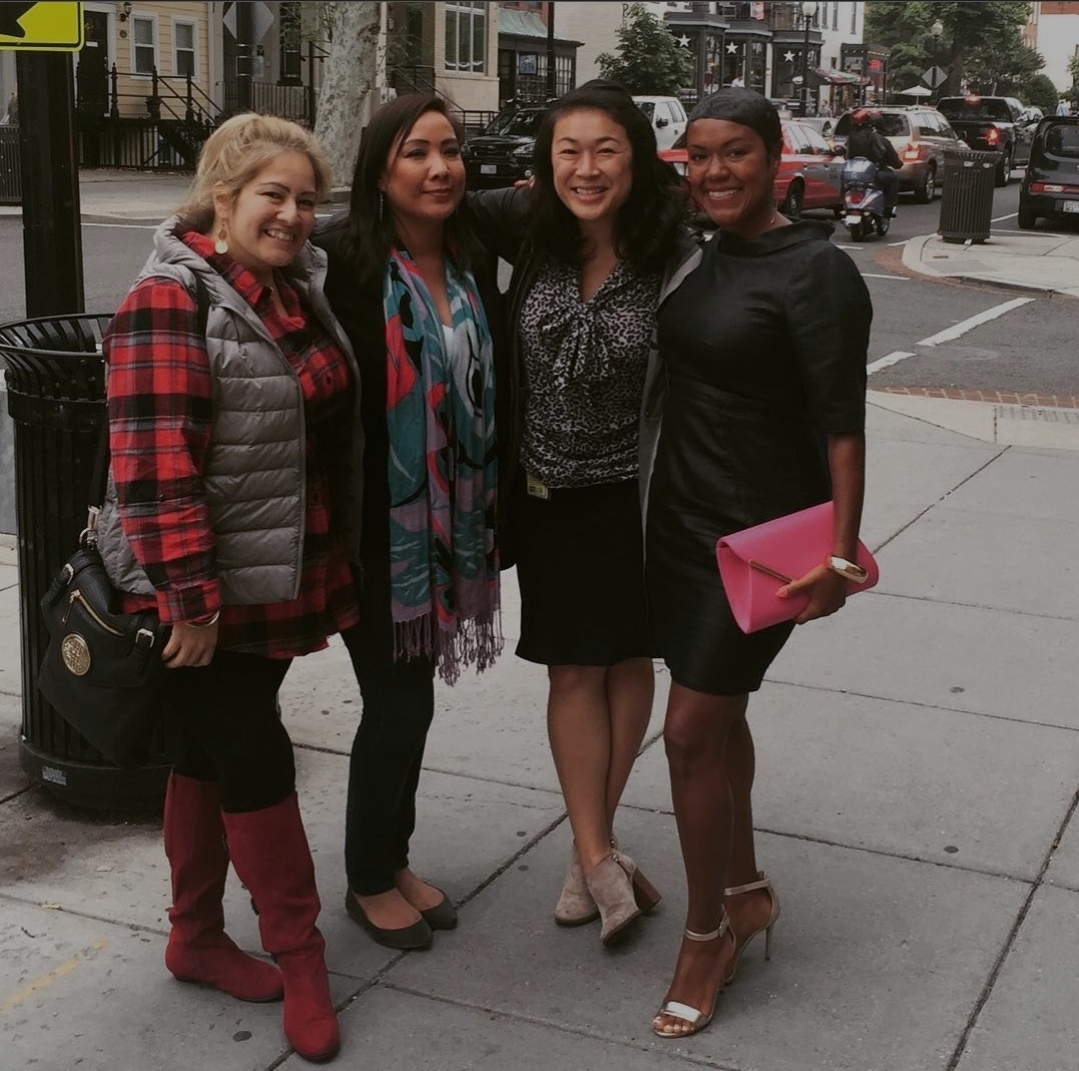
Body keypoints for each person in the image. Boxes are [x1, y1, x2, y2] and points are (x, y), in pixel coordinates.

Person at [97, 112, 362, 1064]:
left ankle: (195, 935)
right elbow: (153, 462)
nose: (292, 214)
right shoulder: (170, 299)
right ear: (222, 196)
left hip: (271, 570)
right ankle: (300, 955)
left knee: (207, 748)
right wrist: (191, 599)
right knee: (254, 755)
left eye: (305, 199)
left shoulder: (288, 289)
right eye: (272, 195)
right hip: (202, 588)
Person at [641, 88, 871, 1038]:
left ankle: (707, 935)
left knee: (688, 731)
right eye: (697, 155)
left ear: (776, 158)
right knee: (718, 716)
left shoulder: (817, 271)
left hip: (759, 543)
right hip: (679, 522)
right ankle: (743, 888)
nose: (714, 171)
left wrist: (839, 556)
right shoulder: (701, 252)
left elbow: (843, 426)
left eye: (734, 152)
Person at [467, 81, 698, 947]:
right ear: (546, 163)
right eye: (568, 150)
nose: (586, 168)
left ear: (635, 158)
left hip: (635, 496)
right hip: (548, 494)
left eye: (605, 149)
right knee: (572, 670)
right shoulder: (530, 227)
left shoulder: (673, 248)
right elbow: (413, 202)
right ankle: (600, 854)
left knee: (629, 660)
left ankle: (586, 851)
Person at [314, 94, 508, 952]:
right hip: (369, 527)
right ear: (379, 171)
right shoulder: (338, 261)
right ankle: (366, 876)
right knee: (395, 704)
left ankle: (391, 859)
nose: (439, 168)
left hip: (448, 524)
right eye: (416, 152)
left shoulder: (472, 255)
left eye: (451, 150)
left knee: (412, 700)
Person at [846, 107, 901, 216]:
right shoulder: (876, 137)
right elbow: (886, 154)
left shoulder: (851, 137)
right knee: (893, 179)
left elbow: (845, 154)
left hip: (852, 175)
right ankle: (888, 208)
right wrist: (896, 164)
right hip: (872, 173)